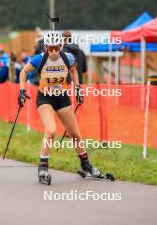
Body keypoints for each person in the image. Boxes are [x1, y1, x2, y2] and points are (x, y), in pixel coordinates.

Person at [18, 31, 100, 184]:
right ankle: (43, 166)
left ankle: (86, 165)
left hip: (62, 98)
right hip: (45, 98)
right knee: (51, 131)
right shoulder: (39, 59)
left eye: (57, 48)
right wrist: (22, 90)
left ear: (61, 46)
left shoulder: (68, 58)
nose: (54, 52)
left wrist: (77, 89)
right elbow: (23, 72)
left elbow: (74, 72)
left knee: (75, 133)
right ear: (46, 47)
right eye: (51, 49)